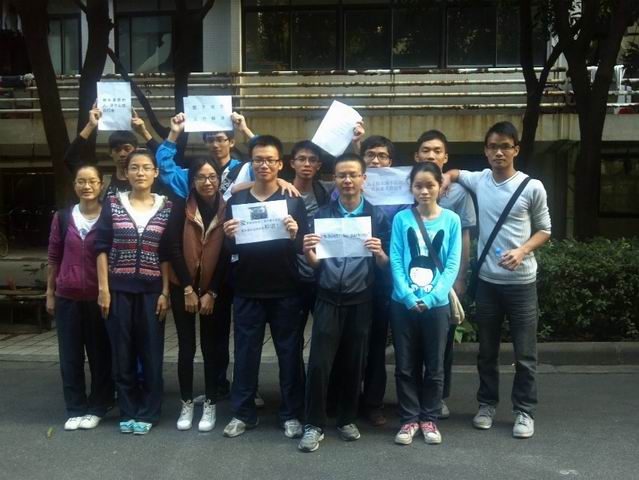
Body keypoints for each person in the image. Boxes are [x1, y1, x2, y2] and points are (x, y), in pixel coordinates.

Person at [443, 121, 551, 439]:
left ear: (516, 149)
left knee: (525, 354)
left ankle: (524, 412)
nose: (499, 152)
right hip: (488, 283)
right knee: (486, 351)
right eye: (493, 146)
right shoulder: (481, 180)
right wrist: (447, 176)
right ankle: (486, 405)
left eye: (505, 146)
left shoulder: (532, 187)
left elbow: (545, 229)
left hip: (522, 284)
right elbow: (457, 173)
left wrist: (522, 250)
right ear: (486, 151)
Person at [299, 153, 389, 453]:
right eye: (341, 175)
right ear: (334, 180)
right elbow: (316, 265)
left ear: (364, 178)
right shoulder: (322, 215)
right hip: (327, 298)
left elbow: (387, 265)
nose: (347, 180)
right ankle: (313, 424)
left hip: (361, 299)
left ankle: (346, 419)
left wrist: (379, 253)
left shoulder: (377, 217)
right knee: (319, 364)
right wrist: (308, 252)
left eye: (353, 175)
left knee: (354, 363)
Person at [222, 135, 308, 439]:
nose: (264, 165)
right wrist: (228, 236)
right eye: (258, 159)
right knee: (245, 354)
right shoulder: (236, 202)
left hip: (286, 290)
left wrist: (296, 233)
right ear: (252, 163)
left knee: (290, 354)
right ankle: (242, 413)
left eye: (270, 160)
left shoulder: (293, 201)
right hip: (247, 290)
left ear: (280, 164)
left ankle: (291, 413)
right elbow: (229, 249)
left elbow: (304, 247)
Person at [94, 150, 172, 435]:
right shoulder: (113, 203)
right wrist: (103, 289)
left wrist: (165, 292)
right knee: (122, 353)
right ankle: (127, 410)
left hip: (152, 292)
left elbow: (166, 253)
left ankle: (149, 411)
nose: (140, 173)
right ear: (126, 173)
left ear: (155, 173)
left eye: (146, 168)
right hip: (118, 290)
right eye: (134, 168)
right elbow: (101, 247)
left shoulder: (166, 207)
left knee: (151, 353)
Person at [389, 162, 461, 446]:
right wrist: (407, 296)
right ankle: (408, 419)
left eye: (430, 185)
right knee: (405, 365)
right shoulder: (401, 219)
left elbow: (452, 264)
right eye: (418, 186)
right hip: (402, 304)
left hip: (437, 305)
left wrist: (431, 297)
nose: (424, 191)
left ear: (440, 186)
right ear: (411, 188)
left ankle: (429, 418)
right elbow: (396, 259)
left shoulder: (452, 220)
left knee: (434, 365)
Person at [414, 129, 477, 418]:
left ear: (446, 157)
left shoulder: (459, 193)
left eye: (437, 151)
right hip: (412, 281)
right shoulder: (410, 186)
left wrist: (460, 278)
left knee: (442, 344)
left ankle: (438, 397)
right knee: (412, 343)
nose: (431, 155)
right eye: (426, 150)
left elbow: (464, 237)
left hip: (444, 281)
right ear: (416, 155)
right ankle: (413, 395)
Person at [46, 165, 113, 431]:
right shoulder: (63, 218)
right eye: (81, 182)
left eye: (92, 181)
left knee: (100, 355)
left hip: (100, 298)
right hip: (68, 297)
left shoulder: (109, 216)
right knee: (70, 356)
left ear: (100, 185)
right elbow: (54, 257)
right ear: (74, 185)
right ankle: (75, 408)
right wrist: (50, 293)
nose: (87, 186)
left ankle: (98, 407)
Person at [165, 157, 228, 432]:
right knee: (187, 347)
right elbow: (172, 248)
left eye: (212, 176)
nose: (207, 182)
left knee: (211, 347)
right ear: (192, 181)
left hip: (213, 289)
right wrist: (188, 289)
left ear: (220, 179)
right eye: (201, 177)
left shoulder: (228, 208)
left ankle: (211, 402)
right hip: (184, 288)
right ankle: (187, 402)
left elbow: (227, 252)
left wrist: (212, 291)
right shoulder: (180, 206)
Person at [65, 106, 161, 197]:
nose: (122, 154)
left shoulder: (147, 180)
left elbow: (165, 161)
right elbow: (70, 159)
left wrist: (144, 133)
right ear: (110, 152)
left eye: (127, 149)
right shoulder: (102, 182)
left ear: (136, 150)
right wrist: (90, 125)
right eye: (117, 150)